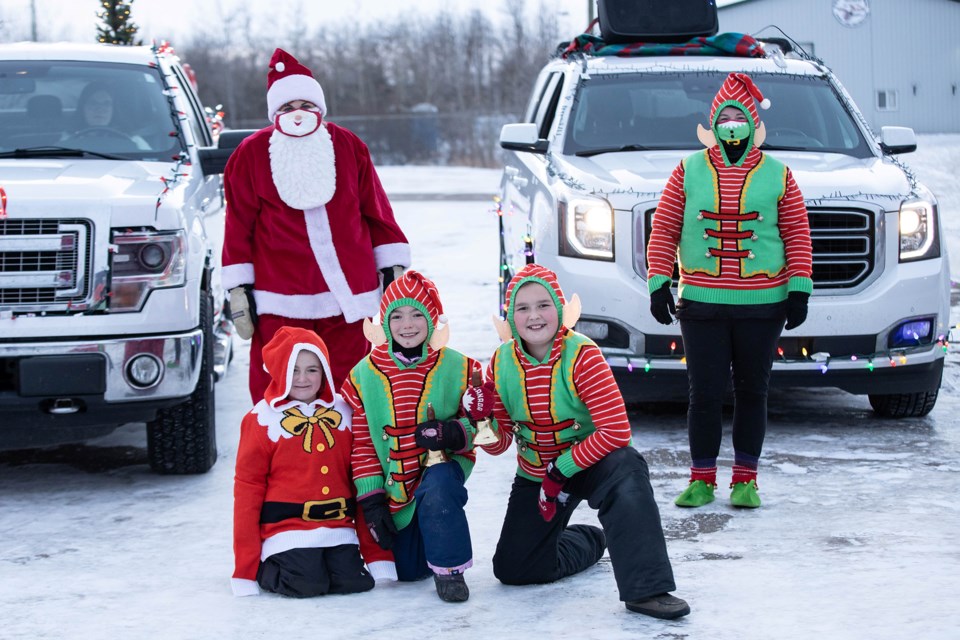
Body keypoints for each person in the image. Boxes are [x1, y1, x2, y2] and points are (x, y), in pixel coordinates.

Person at [475, 263, 690, 620]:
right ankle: (591, 538)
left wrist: (561, 470)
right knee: (514, 569)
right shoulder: (500, 361)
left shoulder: (582, 354)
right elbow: (500, 443)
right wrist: (481, 420)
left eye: (543, 305)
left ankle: (647, 590)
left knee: (627, 468)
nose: (534, 316)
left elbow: (616, 431)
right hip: (536, 471)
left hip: (593, 463)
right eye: (523, 308)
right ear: (511, 317)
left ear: (559, 309)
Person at [645, 72, 813, 509]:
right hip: (701, 302)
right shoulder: (688, 169)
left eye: (740, 117)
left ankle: (745, 480)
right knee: (704, 393)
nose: (732, 124)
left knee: (753, 392)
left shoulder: (779, 174)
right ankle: (701, 479)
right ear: (714, 123)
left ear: (753, 123)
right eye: (726, 117)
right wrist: (659, 280)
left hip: (764, 305)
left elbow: (796, 232)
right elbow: (665, 227)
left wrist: (799, 287)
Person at [222, 48, 410, 402]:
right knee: (279, 391)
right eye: (287, 107)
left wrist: (392, 269)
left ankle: (357, 456)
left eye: (306, 106)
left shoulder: (348, 145)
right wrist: (238, 290)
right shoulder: (250, 154)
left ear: (320, 110)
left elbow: (377, 210)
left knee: (353, 390)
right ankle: (281, 456)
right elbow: (238, 226)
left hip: (349, 301)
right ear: (274, 113)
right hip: (282, 302)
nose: (297, 115)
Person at [342, 270, 483, 603]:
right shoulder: (364, 374)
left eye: (418, 313)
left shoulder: (459, 367)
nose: (408, 324)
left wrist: (453, 432)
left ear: (433, 319)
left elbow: (481, 421)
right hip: (395, 483)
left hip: (443, 467)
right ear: (385, 321)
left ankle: (450, 572)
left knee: (438, 487)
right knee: (408, 571)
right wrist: (372, 500)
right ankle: (424, 538)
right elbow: (362, 445)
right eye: (398, 315)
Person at [232, 326, 397, 597]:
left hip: (337, 527)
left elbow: (361, 480)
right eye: (293, 369)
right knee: (306, 584)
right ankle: (267, 566)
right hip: (286, 529)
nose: (302, 379)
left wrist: (378, 557)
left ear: (324, 371)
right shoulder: (261, 419)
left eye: (312, 369)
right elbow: (247, 493)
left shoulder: (345, 412)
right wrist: (245, 569)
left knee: (355, 582)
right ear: (278, 369)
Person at [66, 82, 149, 149]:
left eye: (106, 103)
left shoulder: (133, 140)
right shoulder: (68, 138)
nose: (100, 109)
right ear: (83, 108)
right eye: (93, 103)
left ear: (114, 109)